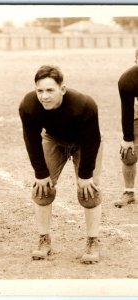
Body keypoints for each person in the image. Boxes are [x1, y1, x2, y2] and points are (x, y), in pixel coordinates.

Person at [19, 65, 103, 264]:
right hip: (54, 139)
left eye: (50, 90)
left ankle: (93, 241)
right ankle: (44, 239)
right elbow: (31, 140)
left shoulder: (84, 104)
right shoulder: (29, 106)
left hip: (84, 142)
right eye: (40, 90)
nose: (44, 96)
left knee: (89, 191)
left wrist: (85, 175)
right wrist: (41, 173)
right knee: (41, 189)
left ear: (62, 89)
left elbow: (93, 140)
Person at [115, 49, 138, 208]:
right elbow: (127, 109)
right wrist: (127, 138)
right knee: (128, 153)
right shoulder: (128, 80)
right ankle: (129, 192)